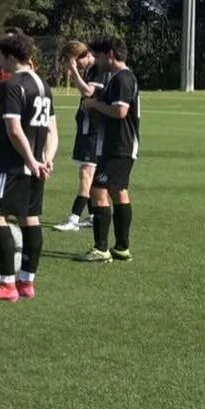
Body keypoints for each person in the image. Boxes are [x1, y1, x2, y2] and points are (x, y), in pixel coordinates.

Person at [0, 31, 57, 303]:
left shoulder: (12, 85)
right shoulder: (44, 85)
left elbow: (13, 129)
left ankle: (7, 284)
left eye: (0, 56)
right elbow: (52, 129)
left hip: (12, 165)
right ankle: (26, 282)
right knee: (29, 218)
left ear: (11, 57)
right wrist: (46, 158)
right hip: (37, 166)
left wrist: (29, 160)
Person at [76, 36, 140, 265]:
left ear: (110, 55)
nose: (96, 60)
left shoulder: (122, 78)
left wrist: (94, 105)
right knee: (117, 192)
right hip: (116, 145)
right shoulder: (118, 78)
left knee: (98, 190)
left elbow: (120, 111)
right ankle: (121, 248)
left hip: (120, 145)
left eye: (99, 56)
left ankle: (101, 248)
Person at [54, 39, 103, 231]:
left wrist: (74, 71)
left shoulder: (96, 68)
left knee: (86, 173)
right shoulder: (90, 69)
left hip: (93, 129)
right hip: (86, 126)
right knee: (88, 174)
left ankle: (74, 218)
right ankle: (92, 215)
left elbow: (89, 91)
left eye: (71, 60)